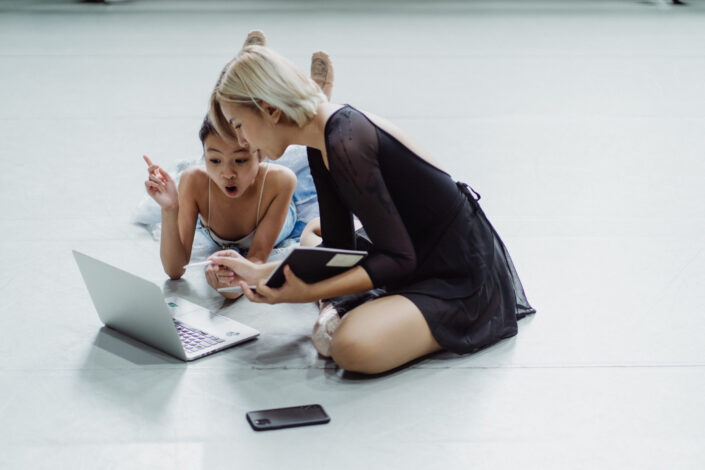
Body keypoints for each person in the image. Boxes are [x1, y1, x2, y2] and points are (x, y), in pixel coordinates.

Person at [206, 45, 535, 374]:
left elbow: (398, 260)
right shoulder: (319, 140)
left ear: (270, 110)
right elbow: (340, 249)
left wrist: (307, 293)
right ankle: (350, 309)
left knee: (351, 348)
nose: (243, 140)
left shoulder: (346, 141)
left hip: (457, 274)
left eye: (238, 125)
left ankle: (348, 309)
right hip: (409, 249)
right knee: (312, 243)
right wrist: (260, 272)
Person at [142, 32, 334, 299]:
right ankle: (244, 84)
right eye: (213, 160)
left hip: (273, 193)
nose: (227, 173)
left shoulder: (281, 180)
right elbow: (175, 269)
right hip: (245, 164)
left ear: (259, 155)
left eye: (240, 161)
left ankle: (316, 98)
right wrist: (170, 208)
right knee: (225, 134)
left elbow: (255, 260)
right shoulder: (195, 180)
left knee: (303, 152)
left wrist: (229, 286)